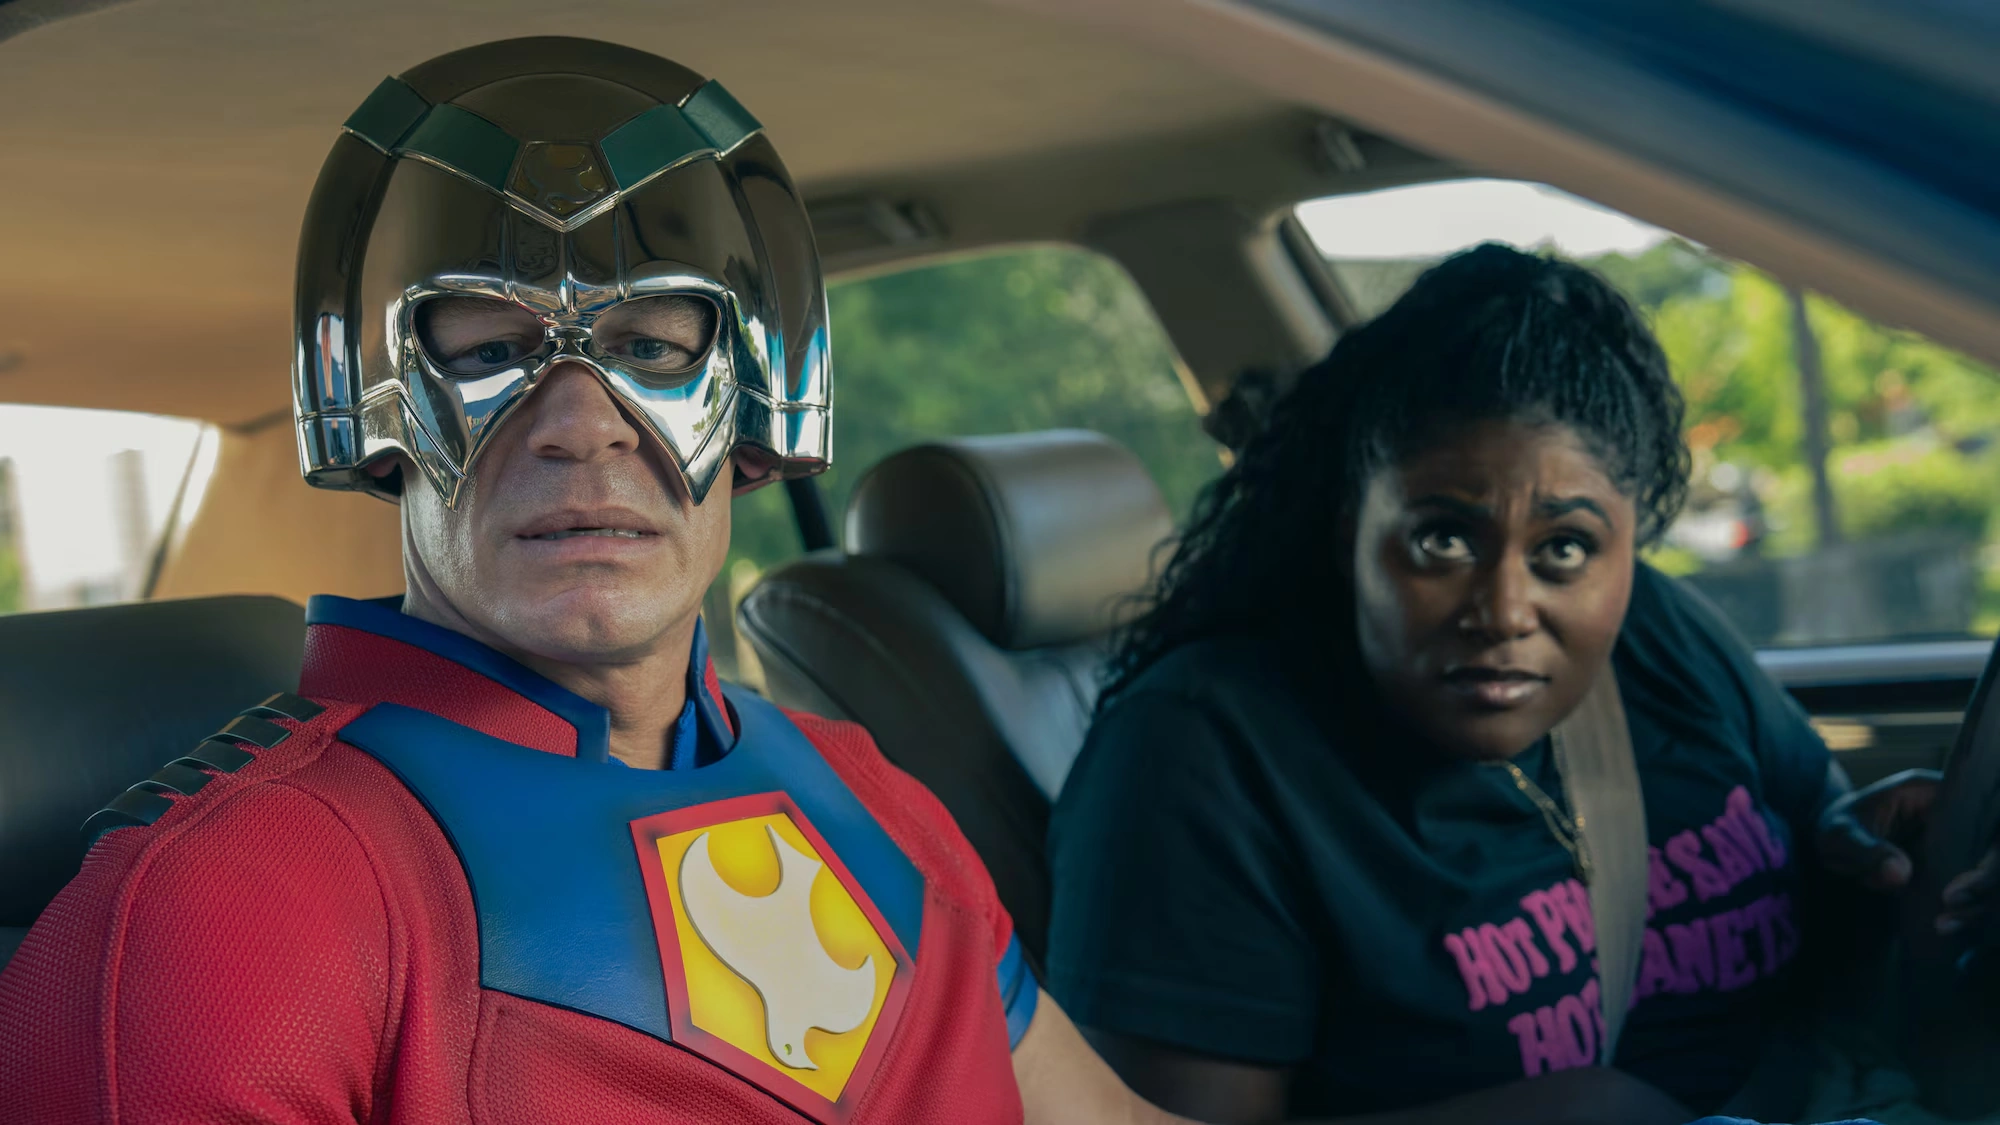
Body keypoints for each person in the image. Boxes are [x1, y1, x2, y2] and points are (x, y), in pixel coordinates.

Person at [0, 37, 1192, 1125]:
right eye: (489, 350)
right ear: (380, 417)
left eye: (651, 348)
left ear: (753, 414)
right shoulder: (214, 906)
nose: (580, 424)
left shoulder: (870, 793)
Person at [1044, 244, 1989, 1125]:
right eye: (1442, 539)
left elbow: (1823, 834)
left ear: (1627, 546)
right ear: (1349, 527)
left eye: (1564, 548)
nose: (1502, 608)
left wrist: (1867, 847)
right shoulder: (1202, 754)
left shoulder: (1657, 635)